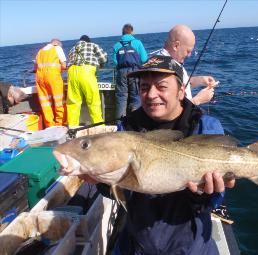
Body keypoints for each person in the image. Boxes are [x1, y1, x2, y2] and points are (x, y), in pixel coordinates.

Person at [91, 55, 235, 254]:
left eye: (161, 86)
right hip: (136, 244)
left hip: (190, 245)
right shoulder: (127, 128)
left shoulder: (204, 126)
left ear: (181, 91)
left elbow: (216, 197)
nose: (151, 94)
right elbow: (119, 190)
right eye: (144, 87)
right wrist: (100, 179)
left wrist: (203, 196)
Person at [151, 24, 217, 106]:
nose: (189, 55)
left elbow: (179, 84)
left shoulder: (164, 60)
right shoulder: (163, 69)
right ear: (176, 45)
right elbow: (167, 109)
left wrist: (201, 80)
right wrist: (198, 100)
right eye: (188, 51)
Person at [67, 35, 107, 128]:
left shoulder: (72, 49)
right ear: (88, 41)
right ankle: (99, 127)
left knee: (73, 103)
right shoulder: (92, 45)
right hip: (86, 72)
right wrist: (101, 64)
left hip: (72, 73)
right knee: (93, 102)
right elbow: (103, 58)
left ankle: (72, 128)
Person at [113, 23, 148, 121]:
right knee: (136, 96)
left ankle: (120, 124)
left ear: (122, 32)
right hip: (135, 72)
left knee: (121, 97)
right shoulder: (137, 43)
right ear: (131, 32)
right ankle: (135, 122)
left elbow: (115, 62)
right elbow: (144, 58)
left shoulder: (116, 45)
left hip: (121, 73)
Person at [34, 38, 67, 127]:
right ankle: (60, 124)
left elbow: (35, 67)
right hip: (53, 77)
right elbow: (64, 65)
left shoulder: (40, 51)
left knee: (45, 103)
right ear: (57, 44)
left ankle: (50, 125)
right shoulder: (57, 48)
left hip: (40, 78)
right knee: (59, 101)